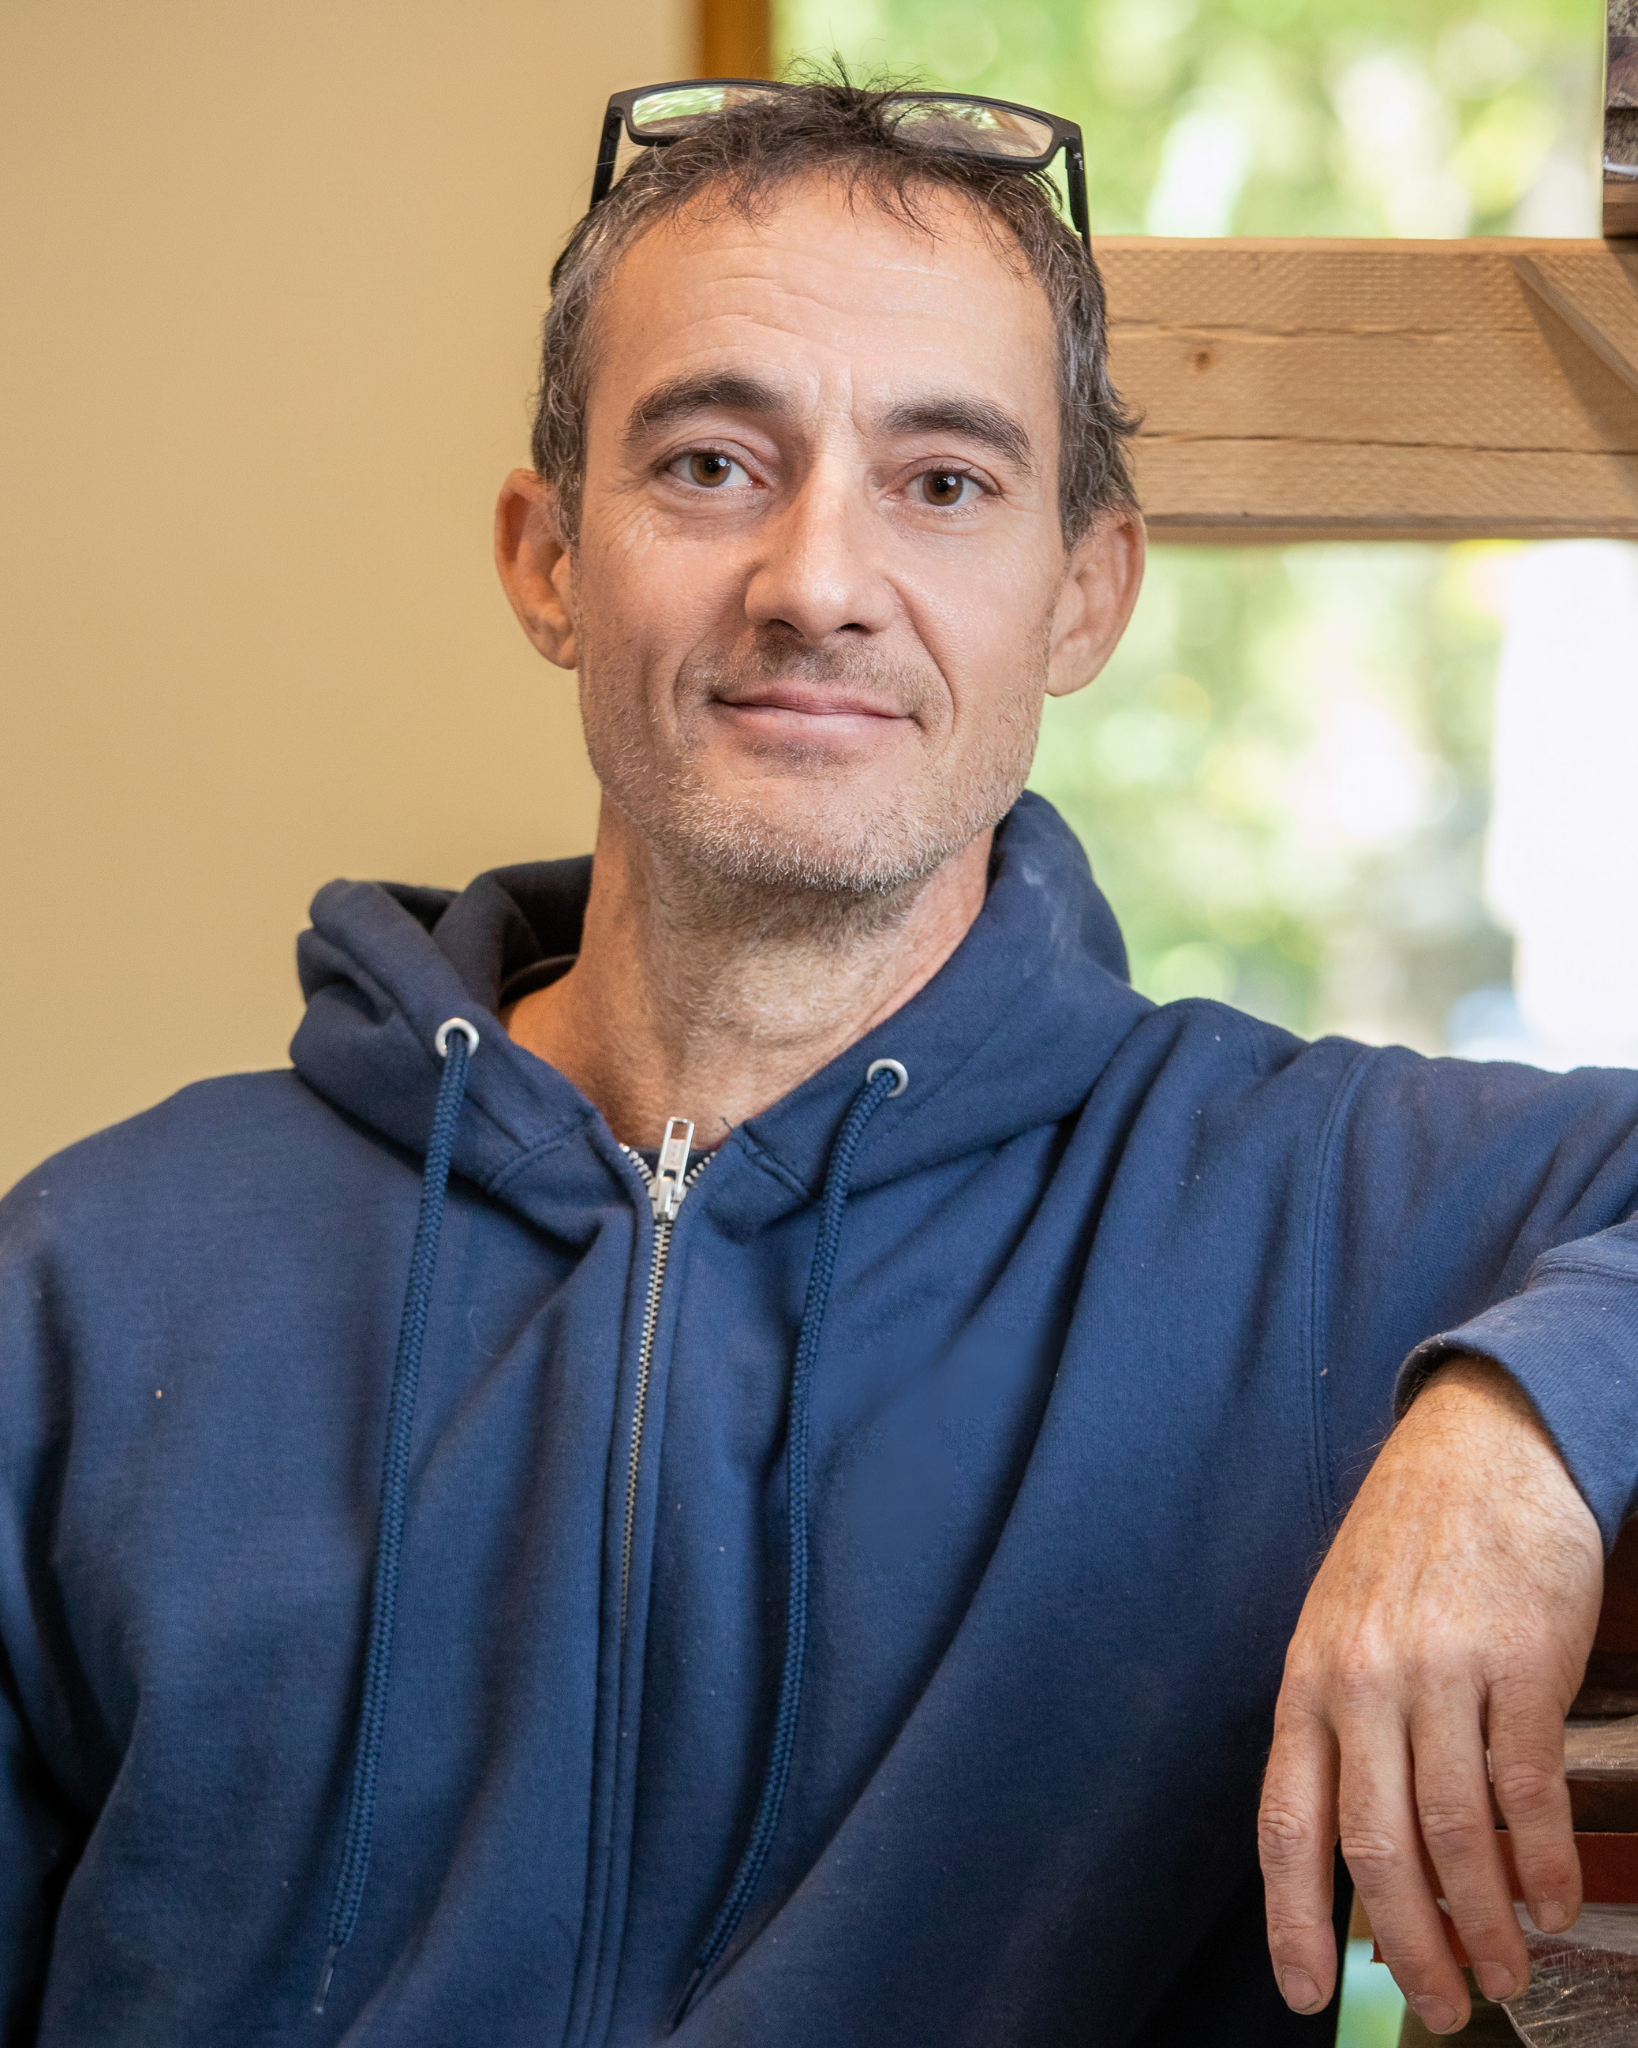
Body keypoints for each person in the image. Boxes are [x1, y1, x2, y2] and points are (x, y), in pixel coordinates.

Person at [1, 78, 1632, 2048]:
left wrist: (1519, 1433)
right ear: (545, 555)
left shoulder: (1302, 1204)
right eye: (708, 462)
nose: (815, 579)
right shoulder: (93, 1284)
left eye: (943, 484)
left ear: (1086, 591)